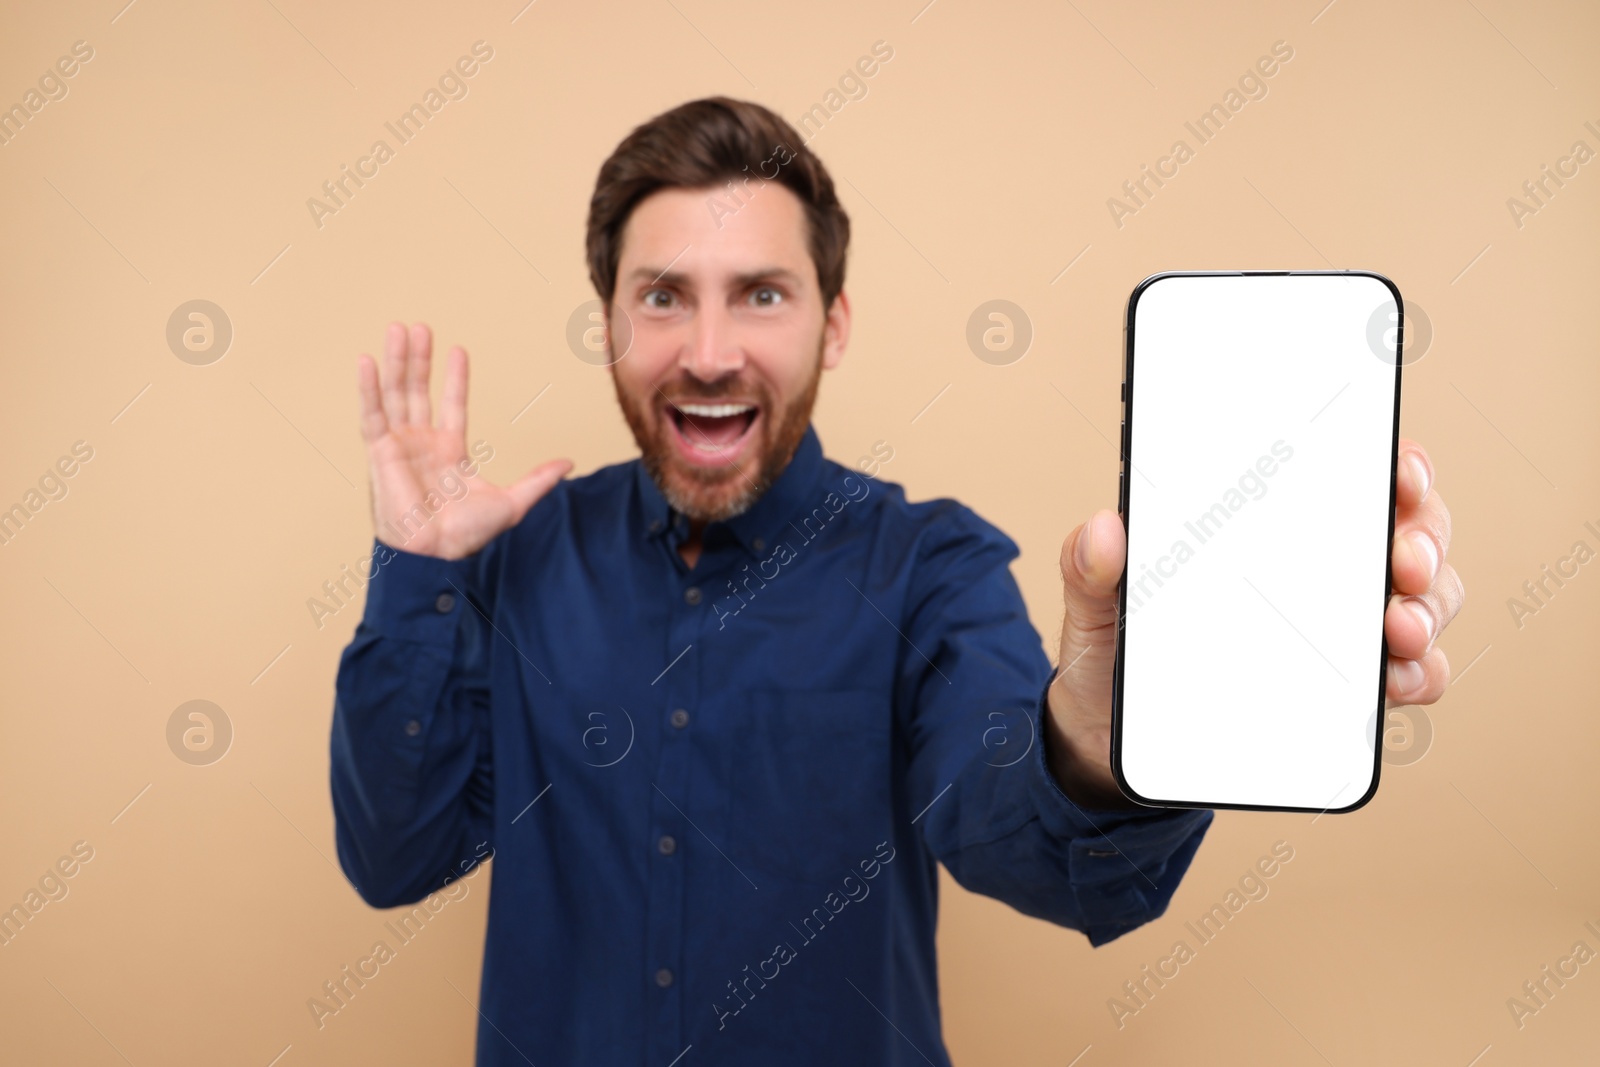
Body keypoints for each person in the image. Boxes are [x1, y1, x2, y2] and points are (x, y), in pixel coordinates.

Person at [329, 96, 1463, 1066]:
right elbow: (397, 857)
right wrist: (416, 577)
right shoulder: (508, 562)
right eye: (663, 295)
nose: (711, 348)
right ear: (612, 324)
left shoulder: (929, 566)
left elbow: (1018, 834)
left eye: (762, 294)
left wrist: (1101, 737)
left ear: (833, 324)